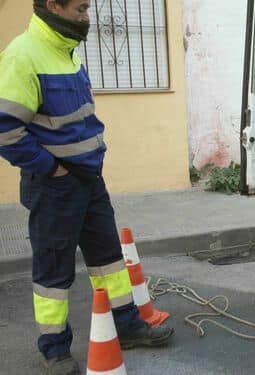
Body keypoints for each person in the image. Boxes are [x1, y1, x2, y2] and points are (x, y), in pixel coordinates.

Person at [0, 1, 173, 373]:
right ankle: (54, 348)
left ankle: (125, 326)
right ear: (52, 6)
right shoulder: (23, 55)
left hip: (88, 180)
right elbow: (6, 130)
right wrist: (52, 169)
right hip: (55, 185)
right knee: (53, 269)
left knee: (108, 258)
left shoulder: (65, 49)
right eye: (79, 8)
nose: (86, 16)